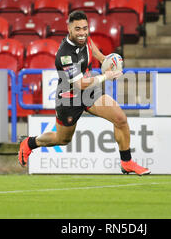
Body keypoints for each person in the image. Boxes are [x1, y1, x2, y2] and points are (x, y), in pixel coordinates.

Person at [18, 10, 150, 176]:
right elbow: (79, 84)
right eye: (77, 29)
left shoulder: (85, 38)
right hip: (69, 98)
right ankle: (30, 143)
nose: (82, 33)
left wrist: (104, 60)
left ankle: (126, 162)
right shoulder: (65, 56)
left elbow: (91, 46)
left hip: (90, 91)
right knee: (62, 139)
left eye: (85, 28)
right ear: (69, 29)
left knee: (120, 119)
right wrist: (106, 76)